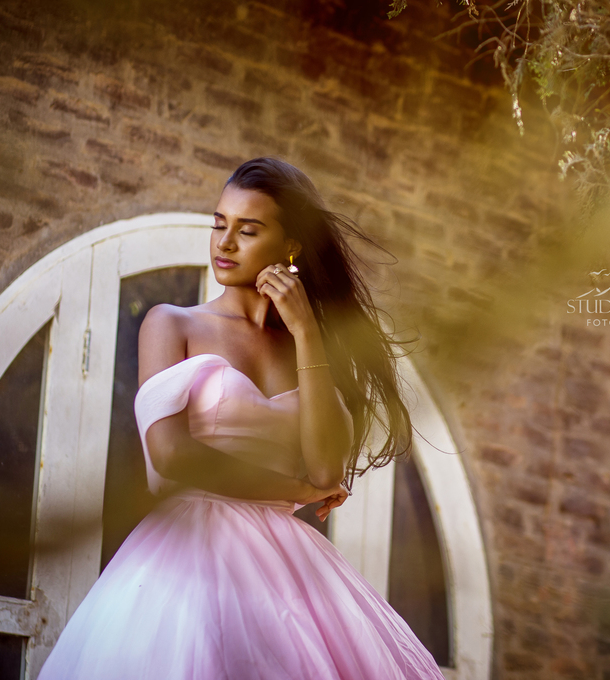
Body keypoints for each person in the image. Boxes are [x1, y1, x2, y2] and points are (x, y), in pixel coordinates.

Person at [37, 157, 444, 680]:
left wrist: (306, 333)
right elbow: (173, 455)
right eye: (218, 224)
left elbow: (325, 470)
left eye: (247, 230)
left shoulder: (310, 351)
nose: (224, 244)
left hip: (289, 570)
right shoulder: (172, 324)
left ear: (290, 245)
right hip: (188, 554)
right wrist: (291, 485)